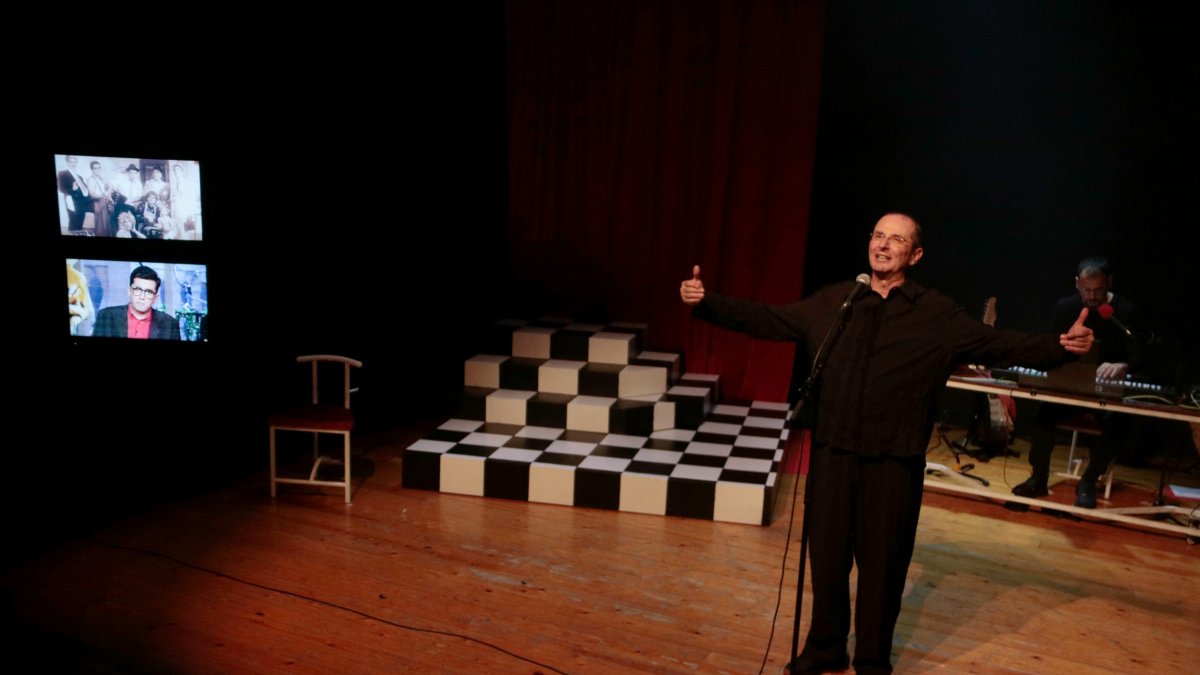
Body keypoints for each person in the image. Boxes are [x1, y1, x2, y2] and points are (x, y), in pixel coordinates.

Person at [679, 213, 1094, 674]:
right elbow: (768, 319)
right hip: (833, 452)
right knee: (829, 558)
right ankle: (825, 646)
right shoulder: (837, 302)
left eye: (896, 239)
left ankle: (873, 658)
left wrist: (1060, 347)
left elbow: (999, 344)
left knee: (883, 566)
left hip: (893, 463)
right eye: (878, 235)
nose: (883, 244)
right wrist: (707, 303)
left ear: (914, 255)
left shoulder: (936, 314)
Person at [1011, 256, 1139, 508]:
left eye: (1098, 290)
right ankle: (1038, 478)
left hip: (1107, 389)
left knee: (1120, 421)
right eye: (1085, 289)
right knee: (1043, 413)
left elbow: (1139, 355)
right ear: (1077, 284)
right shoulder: (1066, 307)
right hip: (1070, 385)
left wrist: (1124, 366)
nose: (1091, 296)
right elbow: (1051, 347)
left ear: (1109, 283)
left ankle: (1088, 481)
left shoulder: (1125, 311)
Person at [92, 266, 180, 340]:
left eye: (148, 292)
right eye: (138, 289)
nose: (142, 297)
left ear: (155, 298)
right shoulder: (106, 316)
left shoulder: (170, 324)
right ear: (129, 291)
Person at [57, 155, 91, 232]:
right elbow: (61, 188)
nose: (73, 164)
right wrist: (72, 189)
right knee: (73, 224)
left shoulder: (79, 176)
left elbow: (85, 190)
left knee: (80, 224)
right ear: (67, 162)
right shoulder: (62, 173)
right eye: (71, 162)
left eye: (75, 162)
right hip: (72, 202)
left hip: (82, 203)